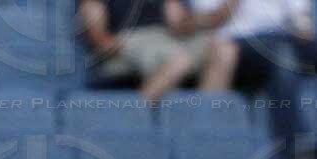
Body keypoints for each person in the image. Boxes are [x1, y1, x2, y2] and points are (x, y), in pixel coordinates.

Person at [193, 0, 317, 159]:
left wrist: (302, 29)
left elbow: (302, 21)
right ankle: (293, 150)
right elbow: (207, 20)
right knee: (283, 58)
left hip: (284, 37)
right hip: (237, 42)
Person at [78, 0, 230, 102]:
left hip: (167, 38)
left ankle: (205, 120)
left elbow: (178, 23)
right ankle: (134, 117)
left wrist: (199, 20)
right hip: (127, 40)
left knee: (224, 50)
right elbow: (99, 38)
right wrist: (127, 49)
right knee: (178, 61)